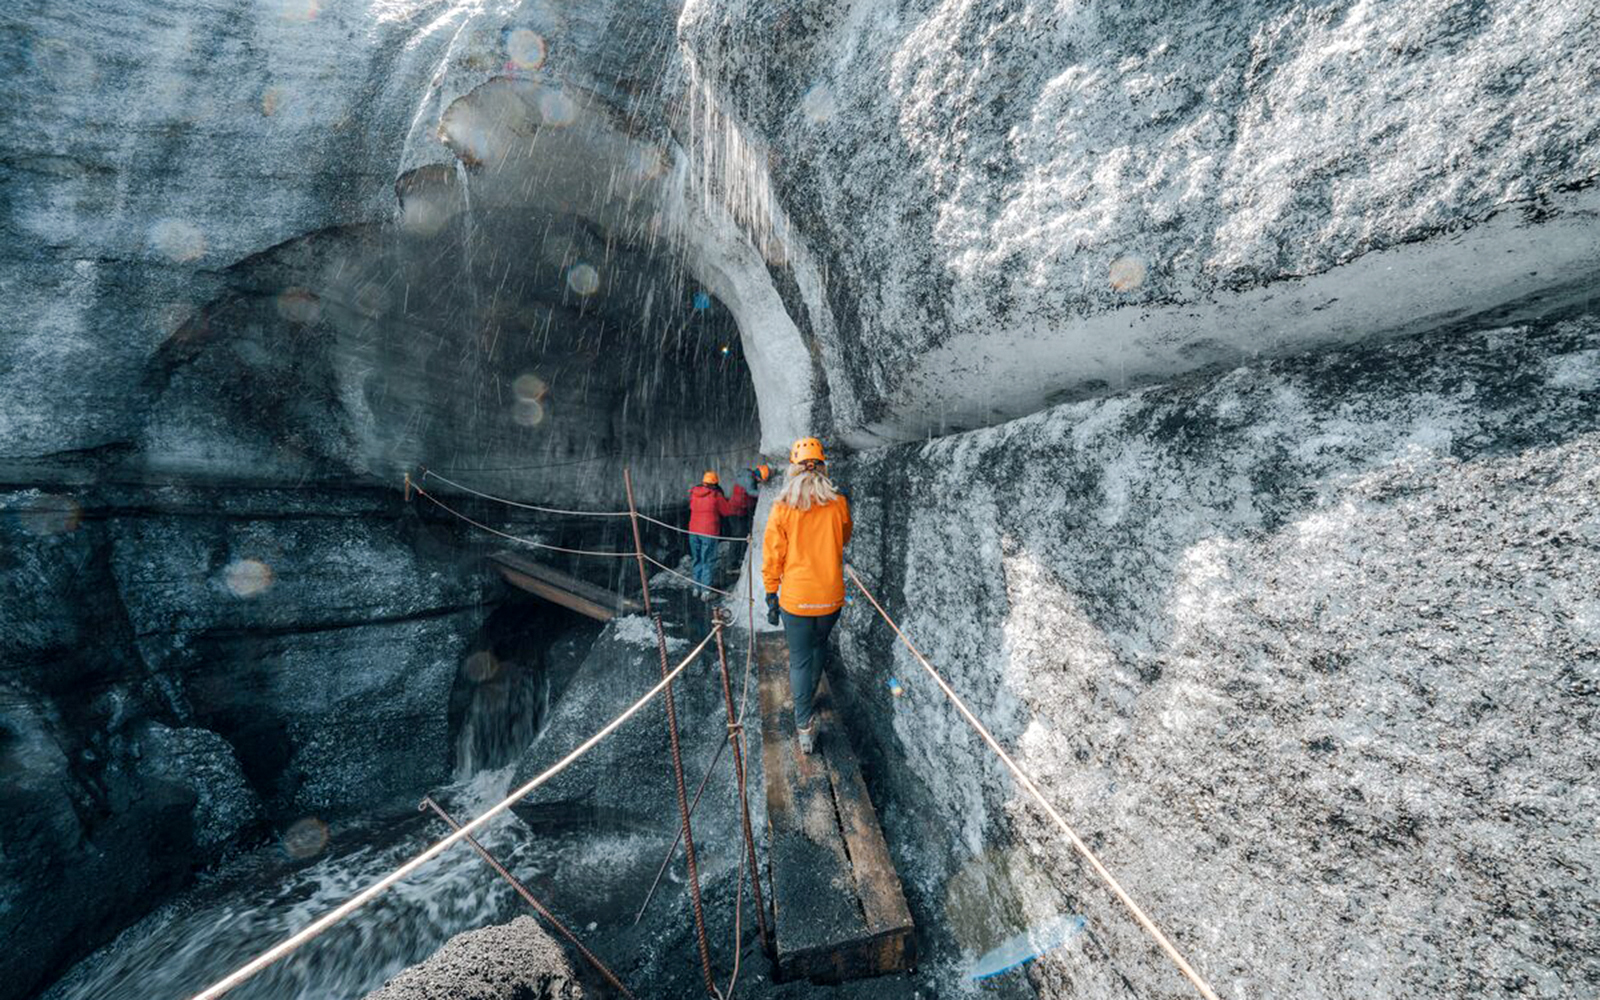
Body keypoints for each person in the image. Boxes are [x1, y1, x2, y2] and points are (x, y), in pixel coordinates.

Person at [762, 438, 850, 754]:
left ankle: (804, 725)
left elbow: (773, 555)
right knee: (818, 646)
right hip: (829, 597)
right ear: (822, 466)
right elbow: (845, 537)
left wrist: (771, 593)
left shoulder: (782, 508)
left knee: (798, 660)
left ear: (792, 469)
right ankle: (809, 692)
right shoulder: (838, 503)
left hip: (796, 599)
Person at [688, 471, 753, 601]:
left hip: (693, 531)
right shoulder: (716, 495)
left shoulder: (694, 493)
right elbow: (727, 511)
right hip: (709, 532)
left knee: (697, 559)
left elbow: (692, 507)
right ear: (715, 484)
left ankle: (696, 588)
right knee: (708, 560)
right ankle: (706, 591)